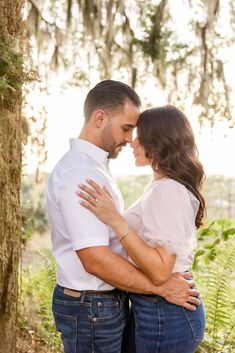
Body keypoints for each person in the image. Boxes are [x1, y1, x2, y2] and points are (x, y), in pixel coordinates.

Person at [46, 81, 201, 353]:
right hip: (94, 304)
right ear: (100, 118)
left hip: (116, 304)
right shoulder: (80, 173)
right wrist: (160, 289)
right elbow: (94, 260)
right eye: (127, 128)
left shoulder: (99, 169)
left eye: (136, 131)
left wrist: (117, 219)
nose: (131, 139)